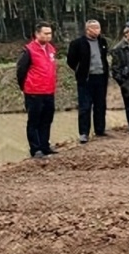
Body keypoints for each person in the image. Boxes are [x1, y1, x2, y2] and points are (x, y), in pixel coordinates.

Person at [17, 22, 58, 159]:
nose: (48, 36)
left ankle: (45, 145)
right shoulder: (28, 50)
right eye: (45, 33)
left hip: (49, 91)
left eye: (50, 33)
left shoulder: (51, 49)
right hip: (34, 92)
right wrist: (25, 87)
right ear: (37, 34)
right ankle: (35, 149)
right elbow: (21, 71)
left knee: (47, 120)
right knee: (34, 121)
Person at [66, 19, 109, 144]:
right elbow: (71, 61)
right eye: (94, 28)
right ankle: (84, 133)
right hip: (86, 79)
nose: (97, 31)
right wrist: (79, 70)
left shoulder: (103, 42)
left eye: (98, 28)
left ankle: (100, 130)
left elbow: (104, 57)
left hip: (101, 77)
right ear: (87, 30)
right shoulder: (77, 43)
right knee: (85, 106)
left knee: (100, 104)